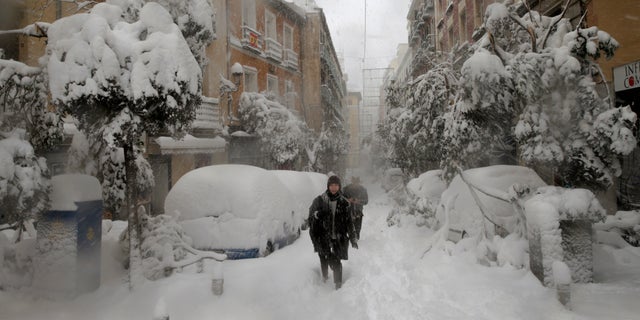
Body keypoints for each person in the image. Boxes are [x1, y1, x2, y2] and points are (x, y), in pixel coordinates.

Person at [308, 175, 358, 290]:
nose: (334, 188)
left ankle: (338, 284)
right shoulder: (320, 200)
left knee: (336, 261)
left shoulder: (344, 203)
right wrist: (317, 215)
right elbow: (310, 218)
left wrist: (353, 238)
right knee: (323, 258)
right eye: (331, 185)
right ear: (328, 186)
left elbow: (349, 222)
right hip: (322, 236)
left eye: (336, 185)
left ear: (339, 186)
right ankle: (324, 278)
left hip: (337, 237)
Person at [343, 176, 368, 240]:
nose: (355, 184)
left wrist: (358, 201)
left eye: (356, 183)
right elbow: (341, 199)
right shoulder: (346, 189)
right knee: (348, 227)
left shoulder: (363, 190)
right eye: (354, 182)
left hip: (358, 212)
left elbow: (366, 201)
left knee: (357, 228)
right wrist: (348, 200)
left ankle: (356, 239)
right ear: (352, 182)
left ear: (359, 182)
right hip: (348, 211)